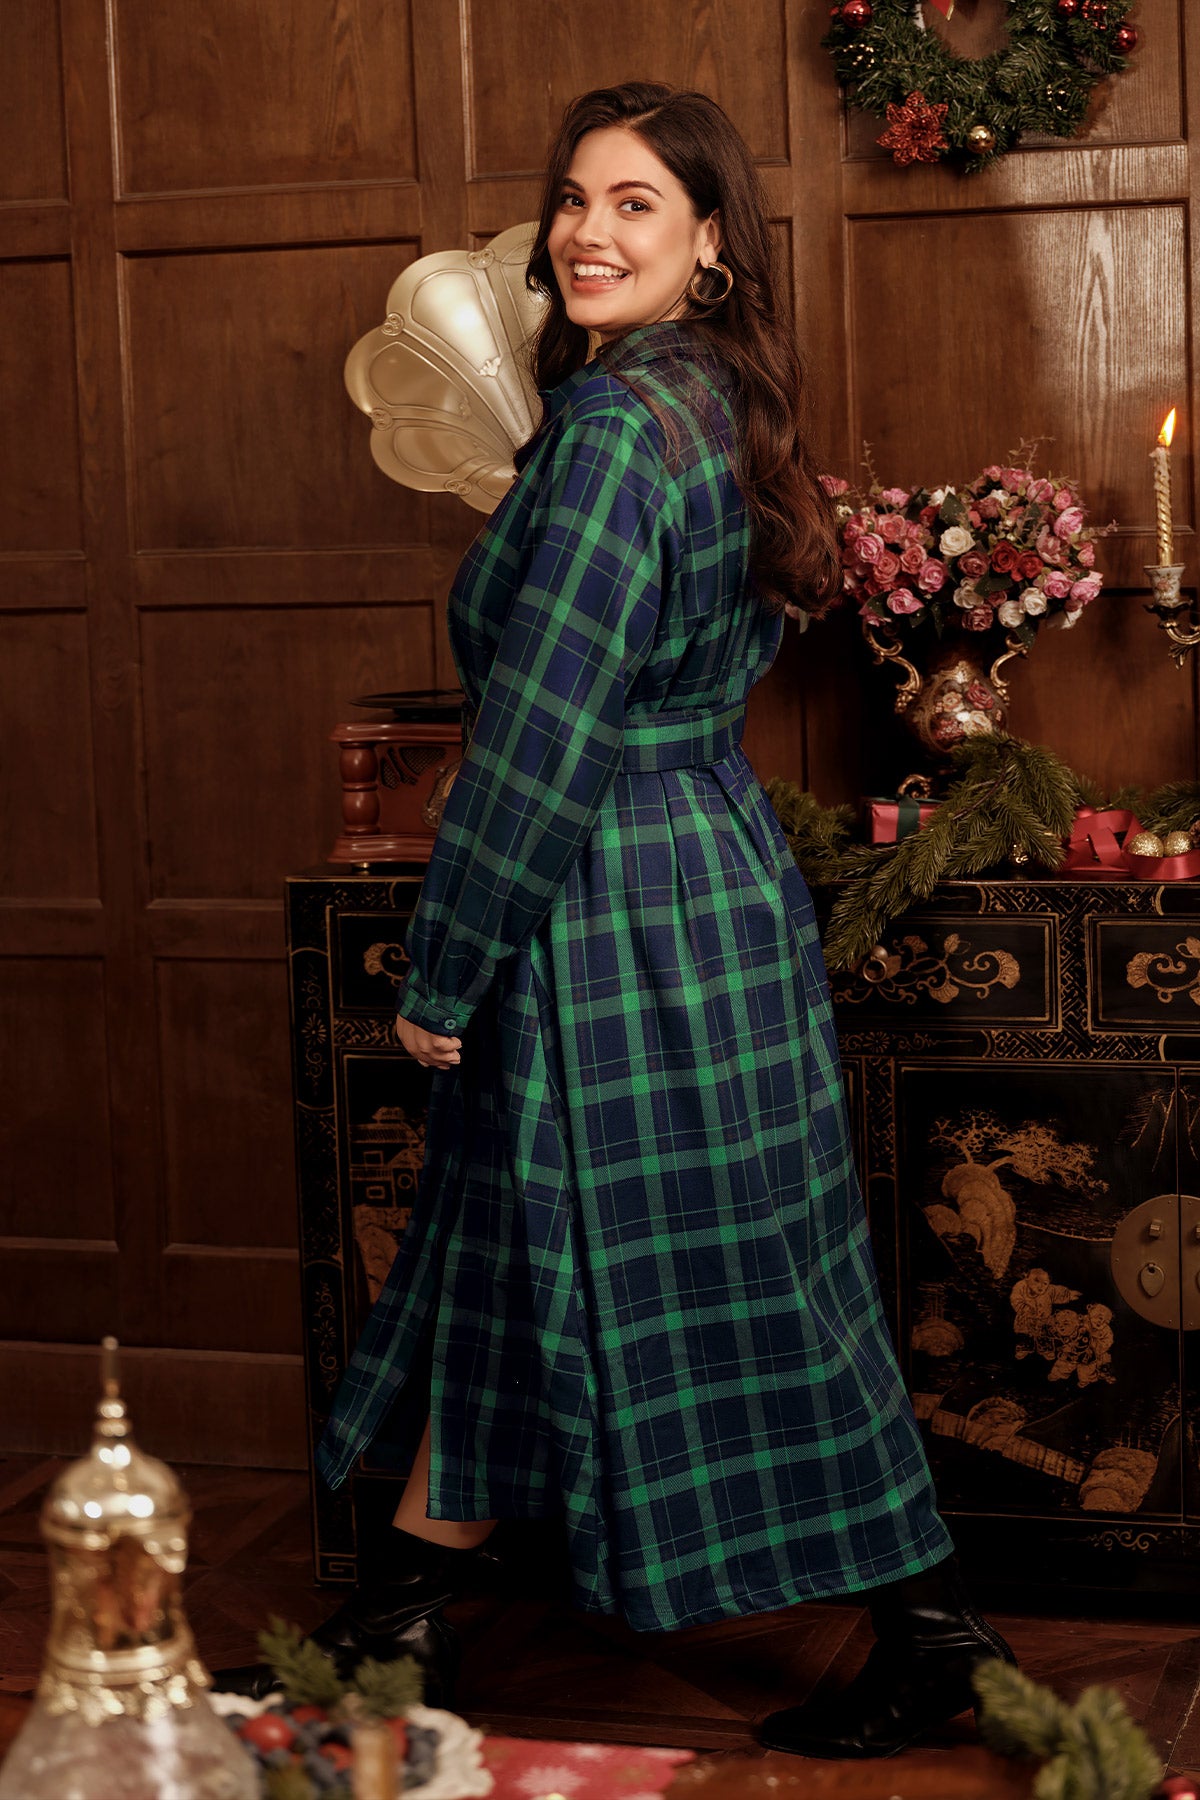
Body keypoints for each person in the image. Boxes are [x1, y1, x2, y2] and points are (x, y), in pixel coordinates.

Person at [221, 81, 1014, 1757]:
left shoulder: (610, 433)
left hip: (608, 898)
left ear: (711, 239)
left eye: (635, 202)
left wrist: (448, 963)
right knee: (545, 1248)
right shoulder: (710, 400)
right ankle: (399, 1624)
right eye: (575, 198)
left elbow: (540, 734)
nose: (588, 231)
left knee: (731, 1269)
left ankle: (936, 1634)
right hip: (705, 869)